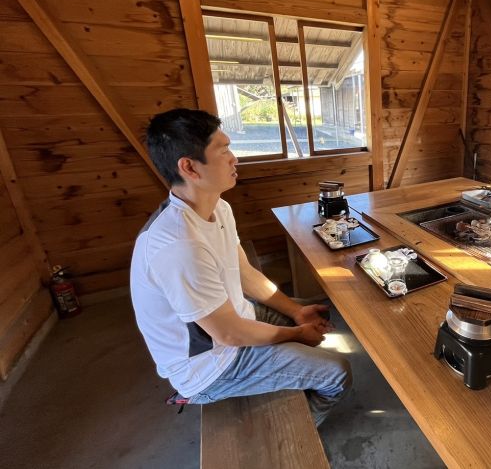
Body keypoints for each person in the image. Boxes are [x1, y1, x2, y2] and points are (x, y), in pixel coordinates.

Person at [130, 108, 351, 426]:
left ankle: (291, 374)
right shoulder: (179, 244)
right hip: (209, 367)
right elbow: (229, 333)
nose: (234, 158)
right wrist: (296, 334)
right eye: (223, 150)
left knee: (314, 315)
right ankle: (293, 437)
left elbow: (245, 274)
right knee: (337, 373)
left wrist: (296, 313)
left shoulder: (218, 207)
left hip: (235, 320)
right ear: (190, 167)